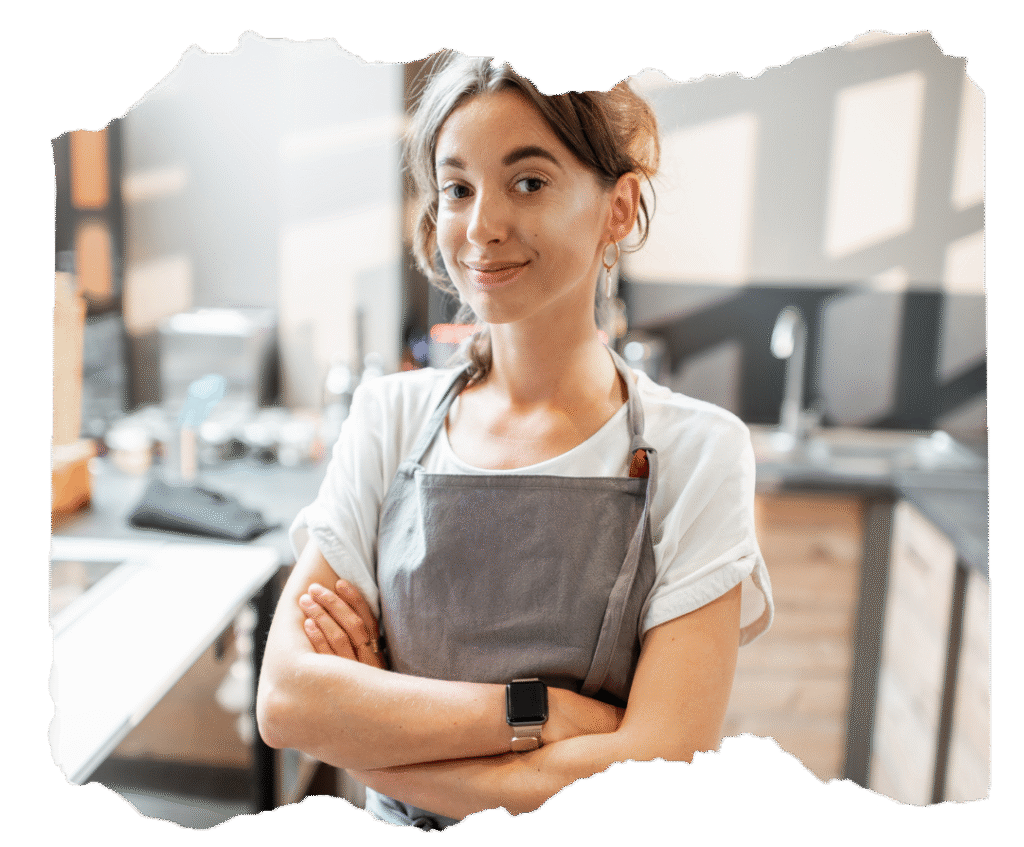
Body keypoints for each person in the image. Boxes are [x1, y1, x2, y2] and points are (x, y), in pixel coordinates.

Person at [256, 52, 773, 830]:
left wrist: (375, 744)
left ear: (620, 208)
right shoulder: (388, 419)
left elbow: (662, 766)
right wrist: (541, 714)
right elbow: (289, 699)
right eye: (457, 188)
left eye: (528, 181)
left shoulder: (699, 453)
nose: (481, 227)